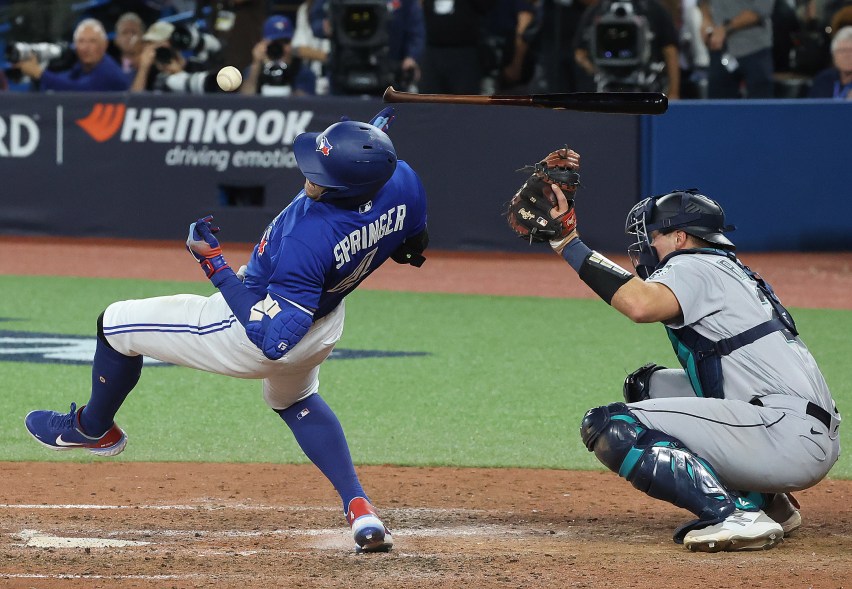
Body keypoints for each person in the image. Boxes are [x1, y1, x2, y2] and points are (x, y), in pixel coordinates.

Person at [23, 108, 429, 554]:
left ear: (351, 185)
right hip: (324, 323)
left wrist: (213, 263)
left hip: (257, 327)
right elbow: (413, 240)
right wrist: (367, 141)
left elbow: (272, 340)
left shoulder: (309, 238)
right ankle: (361, 510)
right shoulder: (403, 180)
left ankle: (92, 427)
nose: (311, 178)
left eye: (323, 175)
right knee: (294, 399)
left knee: (115, 324)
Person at [510, 148, 841, 552]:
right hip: (795, 426)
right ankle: (768, 502)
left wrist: (568, 243)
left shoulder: (695, 265)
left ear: (680, 237)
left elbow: (640, 305)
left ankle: (733, 515)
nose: (646, 244)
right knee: (646, 386)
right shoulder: (723, 267)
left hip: (783, 434)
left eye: (654, 235)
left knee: (610, 425)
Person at [573, 0, 681, 98]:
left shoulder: (653, 9)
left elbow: (670, 50)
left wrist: (673, 93)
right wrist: (596, 70)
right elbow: (580, 53)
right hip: (605, 87)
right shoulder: (597, 10)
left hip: (647, 87)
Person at [14, 18, 130, 92]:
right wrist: (37, 75)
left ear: (104, 45)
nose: (85, 47)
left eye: (92, 41)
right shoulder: (81, 67)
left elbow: (78, 90)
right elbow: (65, 80)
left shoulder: (108, 70)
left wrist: (40, 73)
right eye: (81, 41)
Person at [699, 0, 775, 98]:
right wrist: (706, 20)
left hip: (755, 49)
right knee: (718, 108)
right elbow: (703, 3)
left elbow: (760, 10)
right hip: (720, 49)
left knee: (760, 108)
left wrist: (724, 29)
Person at [419, 0, 496, 95]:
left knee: (464, 104)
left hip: (464, 51)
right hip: (432, 49)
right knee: (427, 102)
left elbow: (486, 6)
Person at [240, 14, 318, 96]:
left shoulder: (302, 71)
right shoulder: (255, 69)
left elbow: (306, 105)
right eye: (275, 43)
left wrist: (286, 70)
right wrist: (256, 65)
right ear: (263, 44)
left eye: (285, 42)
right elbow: (245, 101)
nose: (280, 48)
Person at [807, 24, 852, 97]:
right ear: (833, 55)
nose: (847, 55)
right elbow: (811, 107)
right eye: (842, 51)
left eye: (851, 51)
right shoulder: (823, 80)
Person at [112, 12, 145, 79]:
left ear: (142, 37)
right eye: (125, 32)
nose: (129, 36)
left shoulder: (152, 64)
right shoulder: (110, 67)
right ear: (116, 40)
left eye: (134, 32)